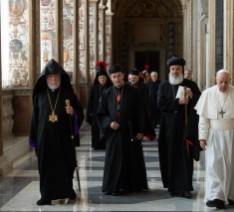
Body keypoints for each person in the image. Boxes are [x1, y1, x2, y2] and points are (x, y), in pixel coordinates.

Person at [195, 69, 234, 209]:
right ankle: (215, 196)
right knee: (214, 164)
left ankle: (228, 196)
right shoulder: (208, 94)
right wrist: (202, 137)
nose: (223, 85)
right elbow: (203, 119)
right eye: (220, 82)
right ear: (216, 79)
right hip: (215, 134)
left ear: (230, 81)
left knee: (232, 165)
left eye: (226, 82)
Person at [29, 59, 84, 205]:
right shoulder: (39, 95)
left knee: (65, 165)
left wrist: (73, 112)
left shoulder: (68, 93)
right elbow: (34, 119)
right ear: (45, 78)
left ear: (60, 78)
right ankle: (46, 195)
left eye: (56, 76)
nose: (53, 79)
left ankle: (67, 191)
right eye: (50, 76)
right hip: (44, 138)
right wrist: (34, 138)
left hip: (63, 138)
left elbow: (79, 112)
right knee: (45, 166)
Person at [96, 64, 156, 196]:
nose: (116, 79)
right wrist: (110, 123)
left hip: (130, 131)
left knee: (132, 158)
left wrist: (141, 130)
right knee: (114, 159)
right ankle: (114, 186)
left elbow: (140, 111)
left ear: (123, 76)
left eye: (118, 76)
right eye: (113, 77)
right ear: (111, 78)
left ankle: (132, 185)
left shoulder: (133, 92)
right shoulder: (106, 94)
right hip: (114, 132)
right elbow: (101, 113)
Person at [157, 56, 201, 198]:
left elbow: (201, 103)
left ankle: (186, 187)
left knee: (185, 156)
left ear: (182, 70)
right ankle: (173, 187)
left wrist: (192, 96)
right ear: (169, 71)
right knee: (171, 157)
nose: (175, 71)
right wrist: (178, 102)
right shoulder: (163, 85)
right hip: (169, 129)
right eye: (173, 69)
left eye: (178, 69)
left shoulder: (191, 85)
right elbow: (160, 104)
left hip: (186, 128)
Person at [86, 67, 113, 150]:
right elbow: (89, 101)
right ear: (98, 79)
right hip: (96, 112)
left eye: (104, 77)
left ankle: (106, 144)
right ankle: (96, 144)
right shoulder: (94, 88)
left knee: (106, 127)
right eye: (100, 78)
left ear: (106, 78)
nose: (102, 79)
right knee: (96, 128)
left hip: (107, 112)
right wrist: (90, 111)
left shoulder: (110, 88)